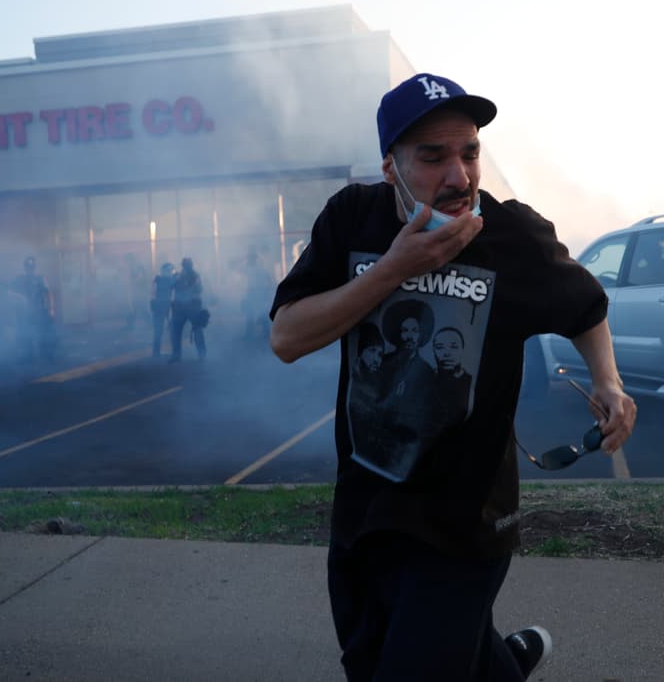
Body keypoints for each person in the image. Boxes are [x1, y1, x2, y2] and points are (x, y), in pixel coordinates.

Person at [270, 72, 637, 680]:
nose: (459, 178)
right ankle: (507, 663)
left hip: (467, 519)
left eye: (470, 154)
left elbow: (585, 305)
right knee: (370, 663)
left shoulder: (512, 234)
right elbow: (287, 337)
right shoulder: (352, 219)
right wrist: (393, 269)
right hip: (367, 509)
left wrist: (609, 382)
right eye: (433, 157)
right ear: (391, 166)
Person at [12, 255, 54, 361]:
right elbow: (11, 292)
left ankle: (46, 356)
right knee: (26, 334)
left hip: (39, 311)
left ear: (34, 267)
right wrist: (18, 300)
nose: (30, 269)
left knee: (42, 334)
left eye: (31, 267)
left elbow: (48, 293)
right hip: (25, 312)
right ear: (25, 267)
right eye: (28, 267)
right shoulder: (20, 279)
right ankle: (28, 356)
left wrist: (51, 308)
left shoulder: (40, 278)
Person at [169, 257, 207, 362]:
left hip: (192, 306)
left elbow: (199, 289)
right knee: (175, 331)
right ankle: (176, 355)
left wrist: (187, 283)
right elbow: (170, 286)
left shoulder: (195, 276)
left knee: (197, 330)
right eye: (186, 265)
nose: (187, 266)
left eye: (188, 264)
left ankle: (202, 354)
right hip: (180, 306)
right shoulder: (177, 276)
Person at [151, 261, 177, 358]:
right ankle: (175, 352)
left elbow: (152, 294)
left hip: (159, 306)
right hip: (167, 306)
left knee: (158, 330)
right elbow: (175, 294)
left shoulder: (157, 279)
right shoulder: (172, 280)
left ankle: (156, 352)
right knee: (172, 330)